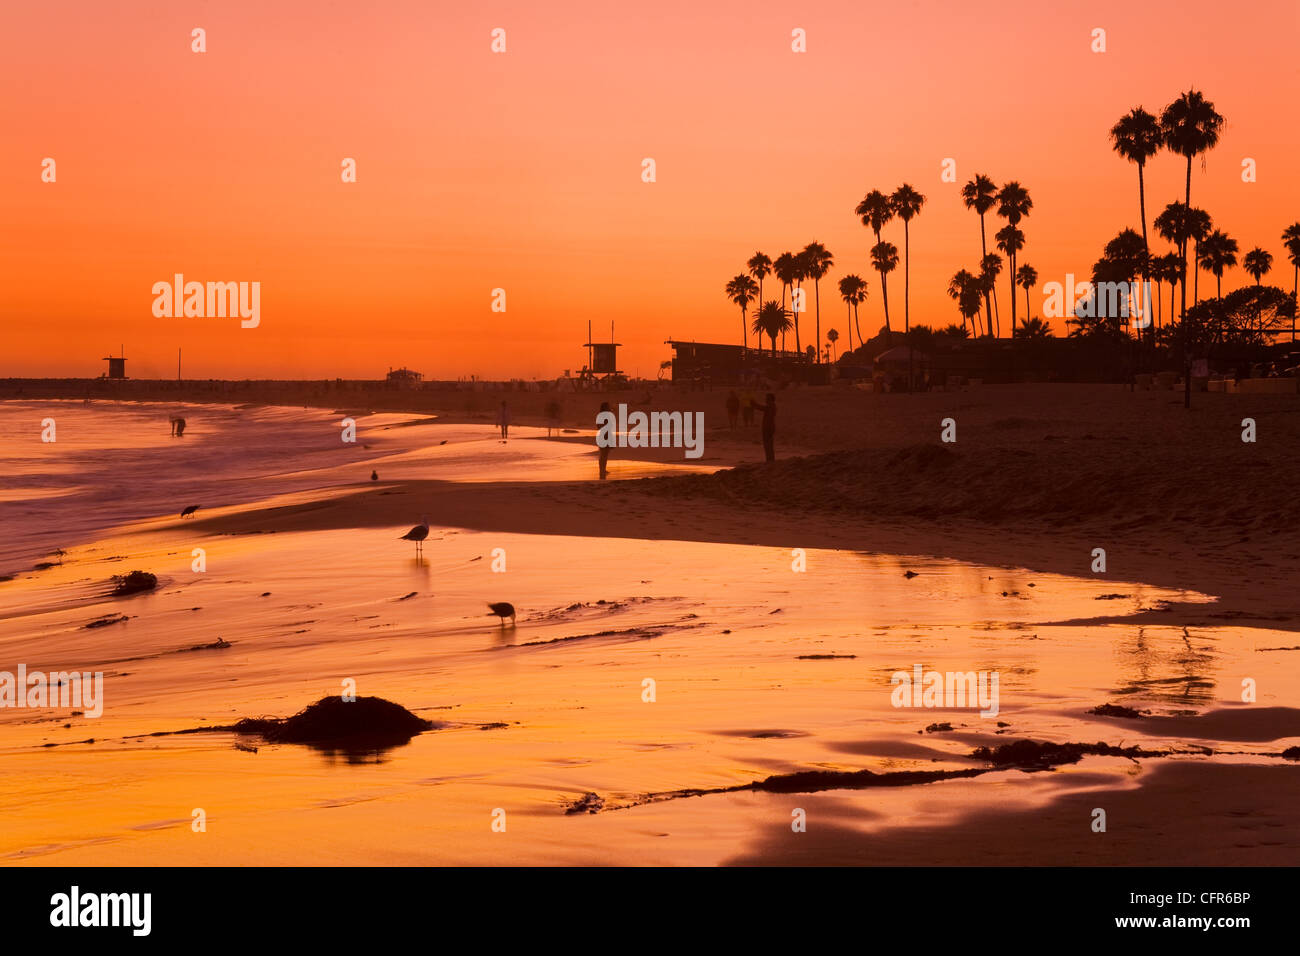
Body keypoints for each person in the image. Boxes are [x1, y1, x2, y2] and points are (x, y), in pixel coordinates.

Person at [751, 393, 776, 462]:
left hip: (768, 427)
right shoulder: (772, 405)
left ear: (769, 399)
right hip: (770, 427)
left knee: (767, 444)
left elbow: (762, 408)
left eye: (766, 398)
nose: (765, 399)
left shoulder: (771, 406)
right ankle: (770, 459)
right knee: (769, 444)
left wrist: (754, 404)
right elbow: (763, 408)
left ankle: (770, 459)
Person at [597, 401, 611, 480]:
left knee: (604, 454)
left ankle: (603, 469)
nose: (609, 408)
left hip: (606, 435)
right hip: (604, 436)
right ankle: (602, 470)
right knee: (603, 454)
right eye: (608, 406)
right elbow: (600, 426)